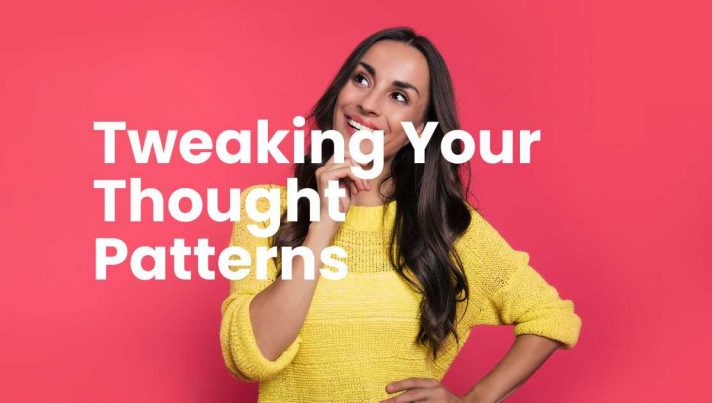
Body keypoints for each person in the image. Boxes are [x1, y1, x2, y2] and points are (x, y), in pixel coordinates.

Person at [219, 27, 582, 402]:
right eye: (361, 79)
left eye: (397, 96)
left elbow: (551, 316)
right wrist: (324, 224)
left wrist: (474, 399)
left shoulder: (444, 229)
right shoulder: (264, 209)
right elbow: (251, 357)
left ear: (419, 130)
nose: (370, 104)